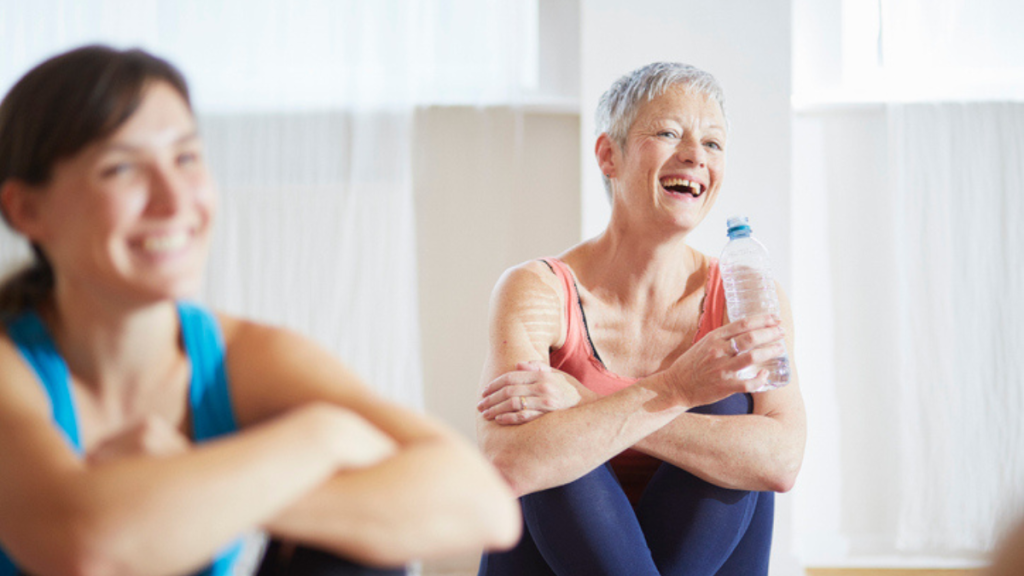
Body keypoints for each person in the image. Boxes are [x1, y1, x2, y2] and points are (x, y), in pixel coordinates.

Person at [0, 45, 520, 576]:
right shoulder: (11, 366)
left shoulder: (244, 356)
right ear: (27, 209)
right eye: (122, 168)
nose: (175, 200)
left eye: (186, 158)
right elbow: (82, 545)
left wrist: (196, 481)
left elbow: (482, 505)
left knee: (355, 555)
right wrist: (320, 437)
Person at [475, 62, 806, 575]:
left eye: (713, 144)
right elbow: (509, 461)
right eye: (670, 133)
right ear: (609, 154)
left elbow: (781, 461)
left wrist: (588, 400)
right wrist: (674, 391)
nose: (695, 155)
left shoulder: (744, 295)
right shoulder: (538, 289)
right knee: (552, 445)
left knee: (724, 408)